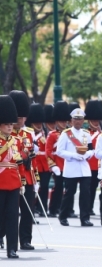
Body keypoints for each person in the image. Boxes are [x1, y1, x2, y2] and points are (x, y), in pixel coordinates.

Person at [9, 90, 40, 251]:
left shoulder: (29, 133)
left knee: (28, 211)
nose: (21, 120)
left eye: (23, 117)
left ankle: (25, 240)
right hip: (12, 176)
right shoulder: (6, 133)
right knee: (10, 212)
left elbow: (32, 160)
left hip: (27, 176)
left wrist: (36, 180)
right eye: (18, 117)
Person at [57, 108, 94, 227]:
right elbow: (59, 151)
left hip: (84, 168)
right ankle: (63, 216)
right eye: (75, 119)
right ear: (71, 120)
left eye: (80, 119)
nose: (78, 122)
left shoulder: (86, 134)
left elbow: (91, 150)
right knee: (69, 193)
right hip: (71, 167)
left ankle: (85, 218)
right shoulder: (66, 134)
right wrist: (74, 156)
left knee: (85, 194)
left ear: (83, 120)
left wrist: (86, 155)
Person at [0, 95, 26, 259]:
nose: (10, 127)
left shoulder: (17, 141)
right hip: (0, 181)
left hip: (14, 182)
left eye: (11, 124)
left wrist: (22, 180)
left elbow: (19, 163)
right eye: (7, 124)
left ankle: (12, 248)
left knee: (12, 216)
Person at [26, 104, 49, 217]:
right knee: (33, 189)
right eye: (37, 122)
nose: (39, 125)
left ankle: (43, 207)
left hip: (44, 164)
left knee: (44, 187)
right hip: (33, 164)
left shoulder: (45, 133)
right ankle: (33, 208)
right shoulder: (28, 133)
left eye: (40, 123)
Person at [46, 101, 69, 217]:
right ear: (56, 122)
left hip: (68, 164)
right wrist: (53, 165)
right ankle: (53, 208)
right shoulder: (52, 135)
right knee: (58, 187)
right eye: (61, 121)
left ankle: (64, 208)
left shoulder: (69, 134)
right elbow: (48, 151)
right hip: (58, 165)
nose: (64, 123)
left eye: (65, 121)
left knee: (68, 189)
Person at [85, 100, 102, 215]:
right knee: (91, 189)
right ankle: (89, 208)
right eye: (93, 120)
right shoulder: (86, 133)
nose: (96, 122)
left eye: (97, 120)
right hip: (91, 165)